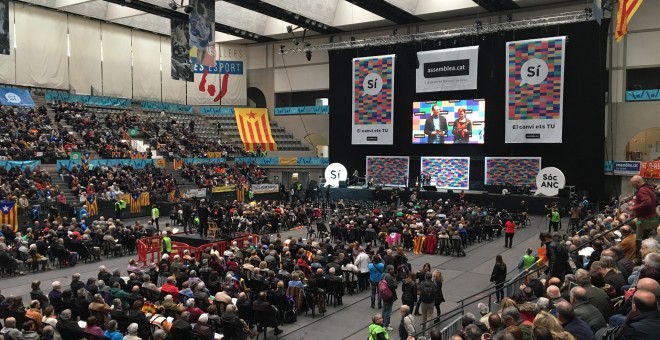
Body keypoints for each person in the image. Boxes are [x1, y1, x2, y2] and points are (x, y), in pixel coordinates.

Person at [627, 175, 659, 254]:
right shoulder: (650, 188)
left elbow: (647, 202)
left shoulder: (642, 190)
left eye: (633, 184)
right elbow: (656, 202)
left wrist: (633, 208)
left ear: (637, 182)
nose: (633, 186)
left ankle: (638, 256)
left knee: (639, 240)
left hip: (645, 220)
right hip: (652, 218)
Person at [381, 265, 398, 331]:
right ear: (390, 270)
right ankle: (386, 324)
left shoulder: (383, 274)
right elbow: (392, 286)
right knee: (388, 310)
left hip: (384, 294)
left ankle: (383, 322)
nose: (393, 270)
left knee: (384, 309)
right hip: (389, 295)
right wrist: (395, 282)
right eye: (392, 269)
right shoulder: (389, 277)